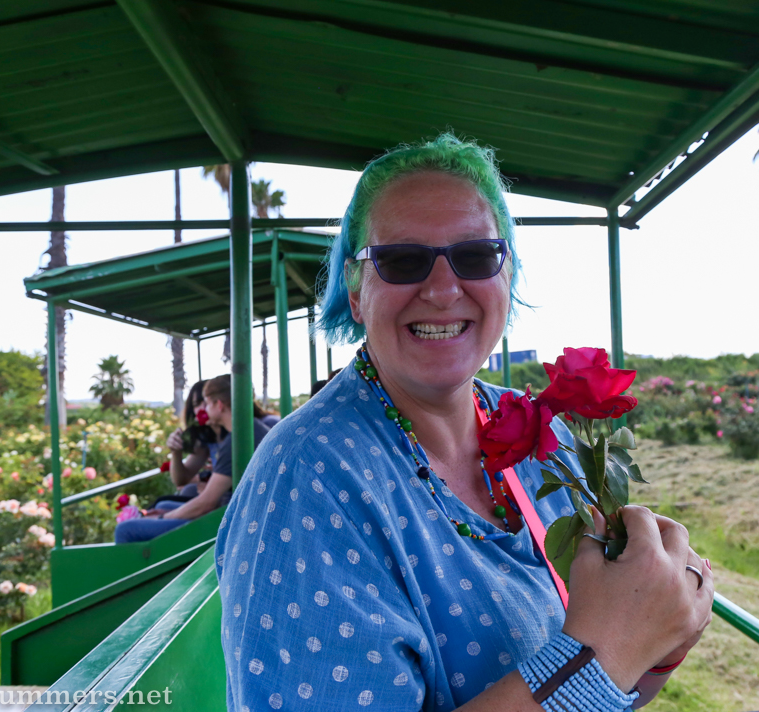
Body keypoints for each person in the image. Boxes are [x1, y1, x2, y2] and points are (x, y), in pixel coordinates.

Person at [215, 134, 713, 711]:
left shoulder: (538, 433)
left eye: (476, 256)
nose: (442, 289)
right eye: (402, 260)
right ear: (355, 293)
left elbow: (611, 691)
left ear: (507, 276)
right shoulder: (309, 477)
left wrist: (662, 638)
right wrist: (605, 652)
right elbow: (603, 660)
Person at [115, 375, 270, 543]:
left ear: (218, 405)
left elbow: (206, 503)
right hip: (234, 514)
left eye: (206, 403)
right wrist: (176, 453)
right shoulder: (249, 429)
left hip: (224, 523)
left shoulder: (236, 440)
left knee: (125, 530)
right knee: (162, 506)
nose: (203, 410)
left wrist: (162, 518)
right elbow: (184, 481)